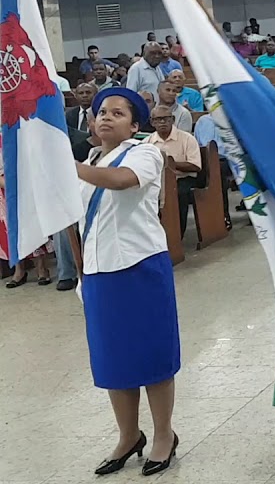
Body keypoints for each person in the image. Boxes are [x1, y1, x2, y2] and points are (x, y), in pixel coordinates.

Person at [76, 87, 181, 476]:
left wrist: (69, 168)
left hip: (139, 267)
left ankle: (163, 435)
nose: (106, 117)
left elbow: (121, 181)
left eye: (118, 113)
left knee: (152, 356)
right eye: (102, 111)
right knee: (113, 360)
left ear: (135, 125)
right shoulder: (89, 158)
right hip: (100, 272)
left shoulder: (145, 152)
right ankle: (128, 435)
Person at [145, 105, 201, 238]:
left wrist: (170, 164)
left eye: (166, 119)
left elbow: (196, 166)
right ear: (152, 122)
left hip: (183, 178)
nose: (162, 122)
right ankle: (154, 235)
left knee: (179, 193)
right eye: (158, 120)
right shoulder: (147, 143)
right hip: (158, 180)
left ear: (173, 119)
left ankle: (177, 235)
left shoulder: (187, 138)